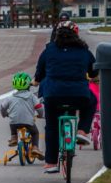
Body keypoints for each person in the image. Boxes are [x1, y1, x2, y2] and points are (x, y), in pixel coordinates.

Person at [33, 20, 98, 174]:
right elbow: (94, 71)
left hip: (53, 95)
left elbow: (40, 72)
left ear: (56, 34)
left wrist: (36, 81)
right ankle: (82, 131)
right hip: (79, 95)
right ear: (75, 34)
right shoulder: (84, 51)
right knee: (92, 100)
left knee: (51, 127)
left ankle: (51, 162)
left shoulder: (48, 50)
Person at [0, 72, 44, 160]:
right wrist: (40, 115)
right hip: (28, 122)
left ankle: (14, 138)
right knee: (35, 133)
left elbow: (2, 106)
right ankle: (35, 147)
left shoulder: (11, 97)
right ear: (28, 85)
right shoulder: (32, 96)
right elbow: (39, 107)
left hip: (14, 122)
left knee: (12, 124)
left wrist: (5, 114)